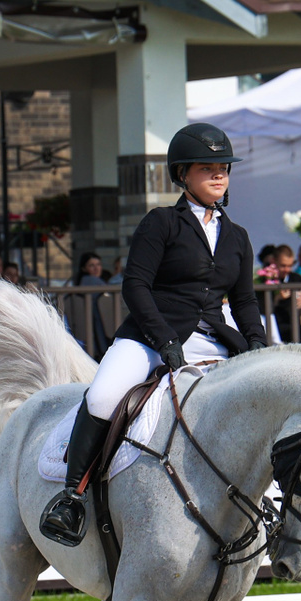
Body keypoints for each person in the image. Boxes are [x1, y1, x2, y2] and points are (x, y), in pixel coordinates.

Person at [40, 123, 269, 547]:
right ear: (182, 174)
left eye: (224, 167)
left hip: (213, 339)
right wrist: (164, 341)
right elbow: (135, 287)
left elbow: (244, 300)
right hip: (150, 337)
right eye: (207, 168)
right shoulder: (162, 222)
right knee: (103, 396)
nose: (219, 174)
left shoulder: (237, 236)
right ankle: (71, 497)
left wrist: (257, 344)